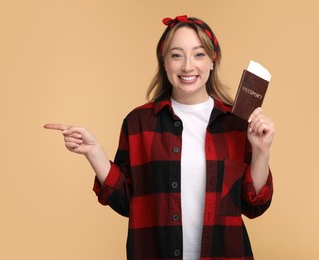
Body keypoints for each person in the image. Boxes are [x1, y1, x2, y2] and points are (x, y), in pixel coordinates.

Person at [44, 15, 274, 260]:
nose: (187, 66)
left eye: (198, 54)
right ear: (164, 62)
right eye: (176, 55)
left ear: (212, 60)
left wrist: (261, 151)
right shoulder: (139, 123)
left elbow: (253, 205)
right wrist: (94, 153)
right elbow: (126, 202)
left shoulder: (236, 122)